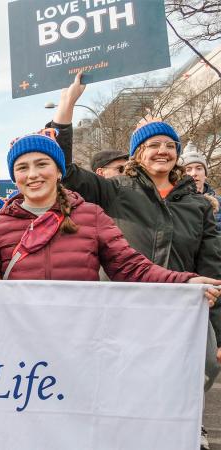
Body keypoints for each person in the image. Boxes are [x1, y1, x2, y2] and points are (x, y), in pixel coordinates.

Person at [53, 74, 221, 449]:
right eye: (152, 145)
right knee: (126, 367)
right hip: (128, 298)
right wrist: (67, 107)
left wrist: (217, 319)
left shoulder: (198, 205)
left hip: (185, 299)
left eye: (169, 145)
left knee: (206, 363)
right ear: (137, 154)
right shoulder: (115, 191)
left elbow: (211, 265)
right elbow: (65, 169)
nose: (162, 150)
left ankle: (183, 416)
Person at [0, 132, 221, 294]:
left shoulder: (91, 216)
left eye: (42, 164)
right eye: (22, 168)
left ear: (59, 171)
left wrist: (184, 282)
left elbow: (131, 268)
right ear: (14, 177)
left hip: (81, 335)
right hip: (23, 343)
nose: (33, 174)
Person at [181, 148, 221, 230]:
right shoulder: (173, 204)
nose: (194, 173)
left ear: (205, 174)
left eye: (199, 168)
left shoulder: (219, 202)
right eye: (188, 169)